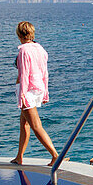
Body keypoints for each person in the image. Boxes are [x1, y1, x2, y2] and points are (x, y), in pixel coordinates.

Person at [11, 21, 59, 166]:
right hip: (37, 89)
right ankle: (19, 156)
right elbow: (45, 73)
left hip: (27, 91)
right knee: (24, 123)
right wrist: (46, 92)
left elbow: (24, 75)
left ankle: (56, 155)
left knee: (36, 125)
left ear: (19, 34)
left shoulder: (24, 51)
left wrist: (22, 96)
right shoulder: (40, 49)